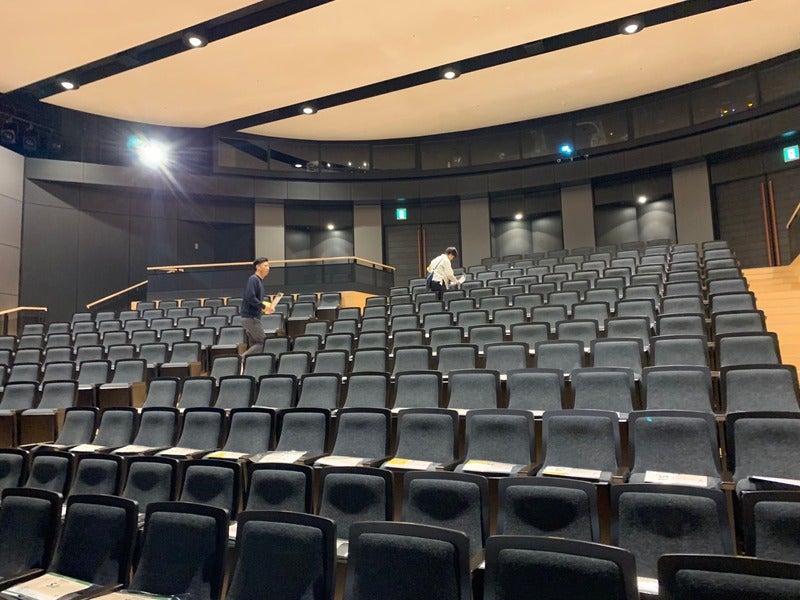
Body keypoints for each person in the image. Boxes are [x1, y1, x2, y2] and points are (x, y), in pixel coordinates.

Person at [241, 257, 274, 357]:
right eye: (265, 266)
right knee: (262, 343)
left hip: (252, 318)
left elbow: (255, 299)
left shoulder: (258, 281)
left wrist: (266, 307)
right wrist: (263, 306)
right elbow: (250, 297)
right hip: (251, 317)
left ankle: (249, 364)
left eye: (268, 266)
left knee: (255, 345)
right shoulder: (253, 279)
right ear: (258, 267)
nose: (268, 268)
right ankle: (241, 359)